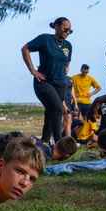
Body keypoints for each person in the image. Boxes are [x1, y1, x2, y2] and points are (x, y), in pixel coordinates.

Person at [21, 17, 72, 146]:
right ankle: (59, 143)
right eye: (65, 29)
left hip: (60, 83)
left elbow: (66, 62)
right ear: (56, 26)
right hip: (44, 82)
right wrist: (32, 70)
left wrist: (66, 68)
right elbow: (25, 49)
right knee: (57, 109)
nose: (67, 33)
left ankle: (44, 143)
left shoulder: (68, 45)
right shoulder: (45, 39)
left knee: (50, 114)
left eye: (70, 31)